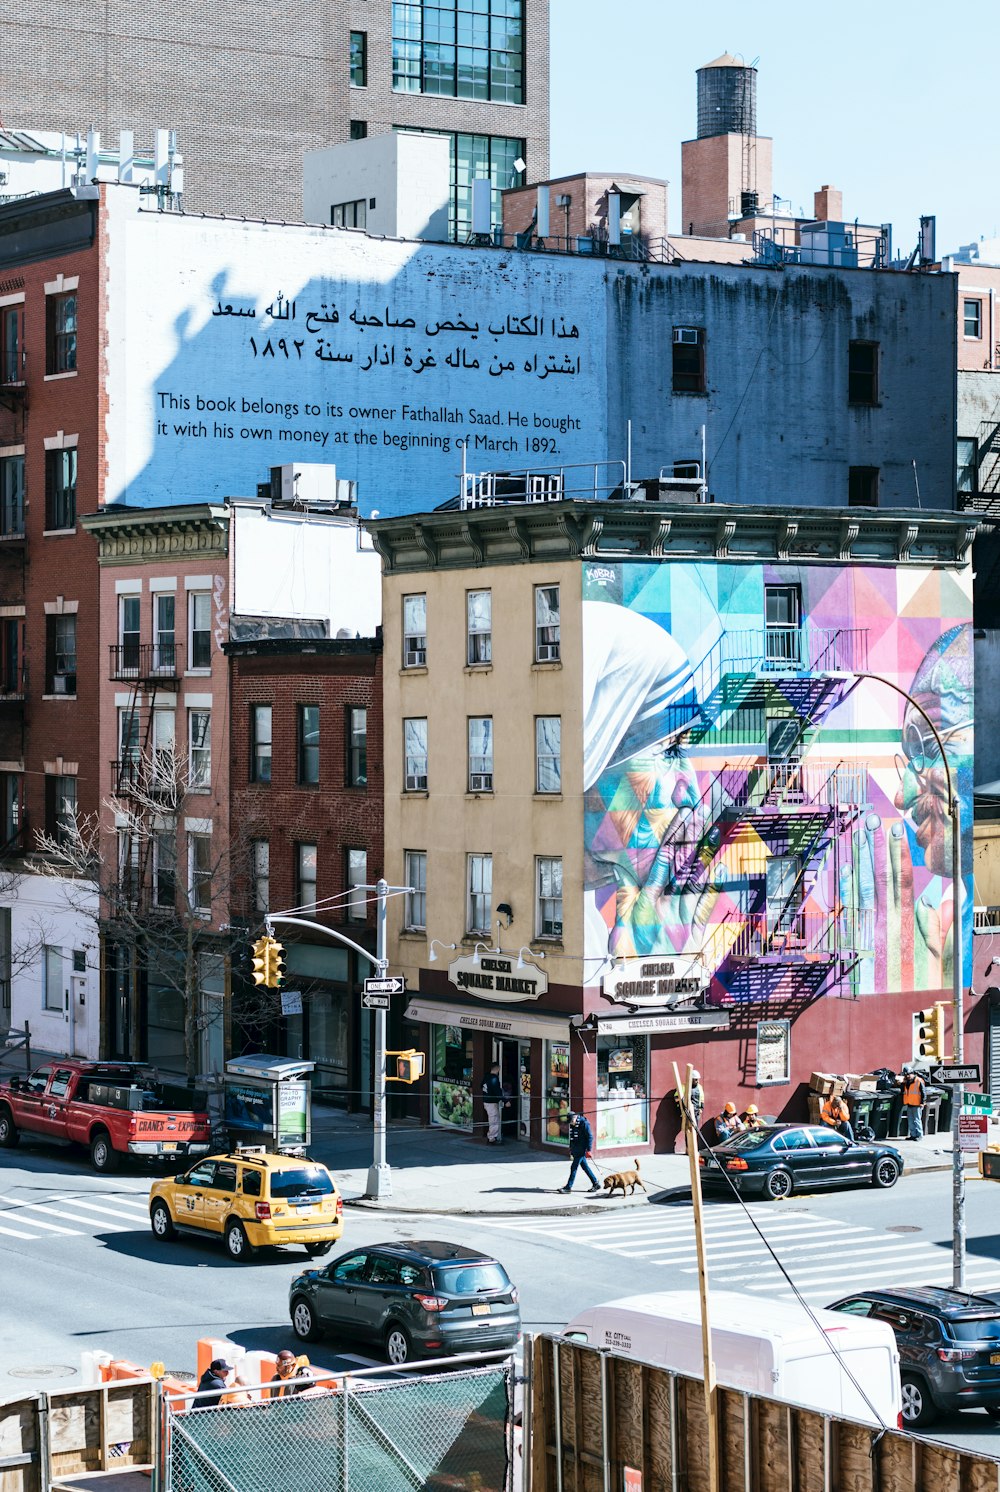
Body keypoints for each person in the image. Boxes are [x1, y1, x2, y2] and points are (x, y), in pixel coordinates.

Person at [558, 1110, 601, 1193]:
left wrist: (589, 1150)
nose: (571, 1123)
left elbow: (590, 1137)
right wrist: (571, 1148)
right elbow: (572, 1137)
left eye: (571, 1121)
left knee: (573, 1167)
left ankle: (568, 1187)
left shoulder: (584, 1123)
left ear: (575, 1117)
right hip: (576, 1149)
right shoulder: (573, 1123)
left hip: (582, 1150)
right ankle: (595, 1183)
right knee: (585, 1167)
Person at [481, 1062, 508, 1145]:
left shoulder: (486, 1077)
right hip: (491, 1102)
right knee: (494, 1120)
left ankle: (492, 1137)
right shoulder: (494, 1079)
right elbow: (497, 1091)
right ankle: (492, 1138)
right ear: (498, 1069)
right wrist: (505, 1101)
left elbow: (481, 1085)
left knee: (493, 1119)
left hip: (486, 1101)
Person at [899, 1064, 927, 1140]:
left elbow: (923, 1092)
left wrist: (922, 1102)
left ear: (911, 1073)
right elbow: (902, 1091)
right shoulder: (906, 1082)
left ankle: (919, 1135)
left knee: (917, 1120)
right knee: (910, 1120)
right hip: (909, 1103)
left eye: (907, 1075)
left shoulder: (919, 1081)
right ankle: (913, 1135)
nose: (906, 1076)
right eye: (905, 1075)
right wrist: (902, 1083)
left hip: (917, 1104)